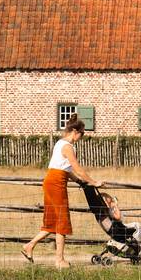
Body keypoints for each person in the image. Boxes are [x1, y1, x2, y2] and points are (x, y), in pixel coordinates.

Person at [21, 114, 102, 268]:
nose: (82, 137)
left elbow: (66, 169)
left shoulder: (60, 143)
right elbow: (77, 168)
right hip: (56, 183)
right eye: (82, 134)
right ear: (75, 131)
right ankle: (59, 260)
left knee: (53, 220)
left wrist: (79, 181)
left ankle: (29, 246)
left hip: (52, 180)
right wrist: (94, 182)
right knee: (62, 220)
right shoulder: (67, 147)